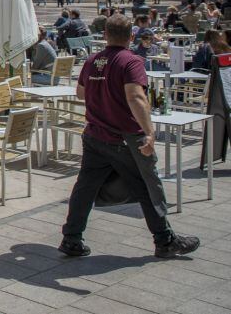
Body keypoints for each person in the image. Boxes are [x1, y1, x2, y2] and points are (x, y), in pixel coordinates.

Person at [59, 14, 199, 258]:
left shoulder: (92, 60)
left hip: (94, 135)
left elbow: (81, 93)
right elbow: (135, 96)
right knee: (147, 185)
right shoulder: (130, 62)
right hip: (124, 138)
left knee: (85, 187)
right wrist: (149, 132)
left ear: (105, 35)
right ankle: (164, 240)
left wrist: (100, 91)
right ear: (131, 36)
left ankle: (71, 238)